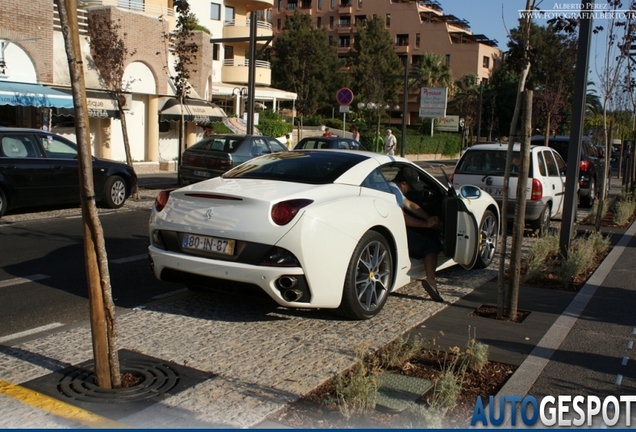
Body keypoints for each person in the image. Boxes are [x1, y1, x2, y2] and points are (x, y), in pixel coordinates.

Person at [389, 166, 442, 296]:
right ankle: (431, 282)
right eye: (411, 187)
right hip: (395, 231)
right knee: (430, 247)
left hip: (388, 229)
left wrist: (428, 218)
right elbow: (403, 218)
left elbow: (411, 205)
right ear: (403, 184)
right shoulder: (393, 192)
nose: (411, 190)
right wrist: (425, 224)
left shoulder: (391, 187)